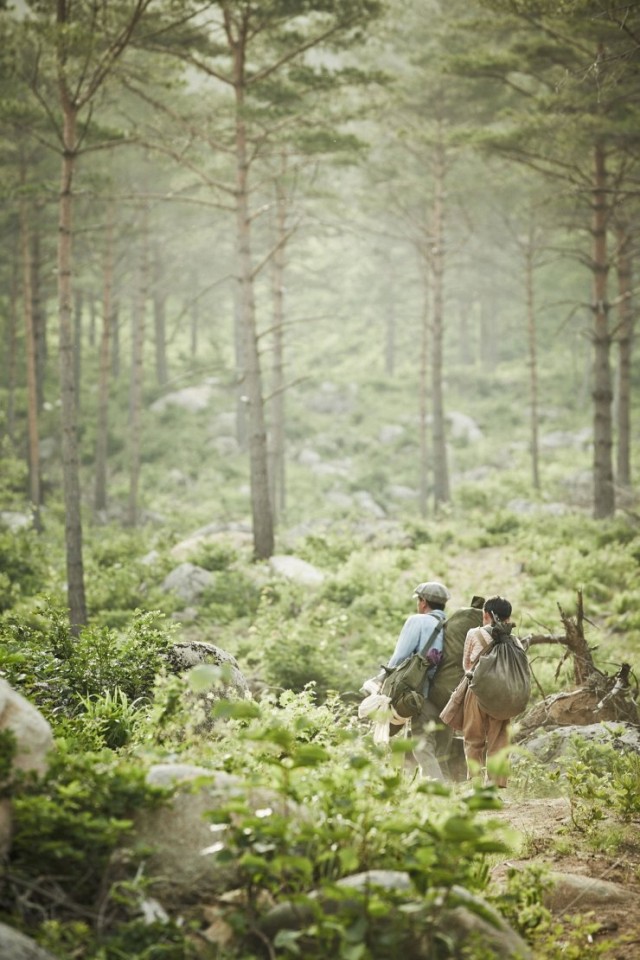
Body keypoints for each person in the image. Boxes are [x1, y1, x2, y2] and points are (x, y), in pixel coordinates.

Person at [386, 580, 450, 780]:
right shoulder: (453, 626)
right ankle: (437, 794)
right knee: (440, 753)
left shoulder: (418, 621)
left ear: (423, 602)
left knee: (422, 748)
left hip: (423, 696)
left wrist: (384, 683)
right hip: (451, 697)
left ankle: (441, 793)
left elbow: (399, 658)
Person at [459, 595, 523, 788]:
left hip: (477, 693)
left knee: (473, 738)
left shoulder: (474, 634)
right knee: (499, 740)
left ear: (486, 614)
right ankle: (495, 786)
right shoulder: (514, 640)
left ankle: (476, 784)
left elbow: (467, 665)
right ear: (508, 617)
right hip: (504, 695)